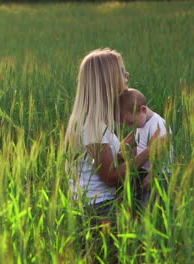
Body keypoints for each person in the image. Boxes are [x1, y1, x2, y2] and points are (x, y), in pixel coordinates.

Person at [65, 49, 154, 222]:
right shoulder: (92, 125)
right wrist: (148, 152)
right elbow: (111, 177)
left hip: (99, 205)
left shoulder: (95, 121)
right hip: (98, 209)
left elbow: (111, 155)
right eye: (121, 71)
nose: (127, 74)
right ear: (107, 79)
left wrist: (137, 141)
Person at [115, 88, 173, 208]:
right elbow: (142, 148)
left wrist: (153, 173)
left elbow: (161, 151)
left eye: (131, 122)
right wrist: (126, 154)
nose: (131, 126)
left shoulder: (158, 125)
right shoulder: (141, 124)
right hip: (144, 170)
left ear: (143, 110)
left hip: (160, 173)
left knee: (148, 204)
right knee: (137, 196)